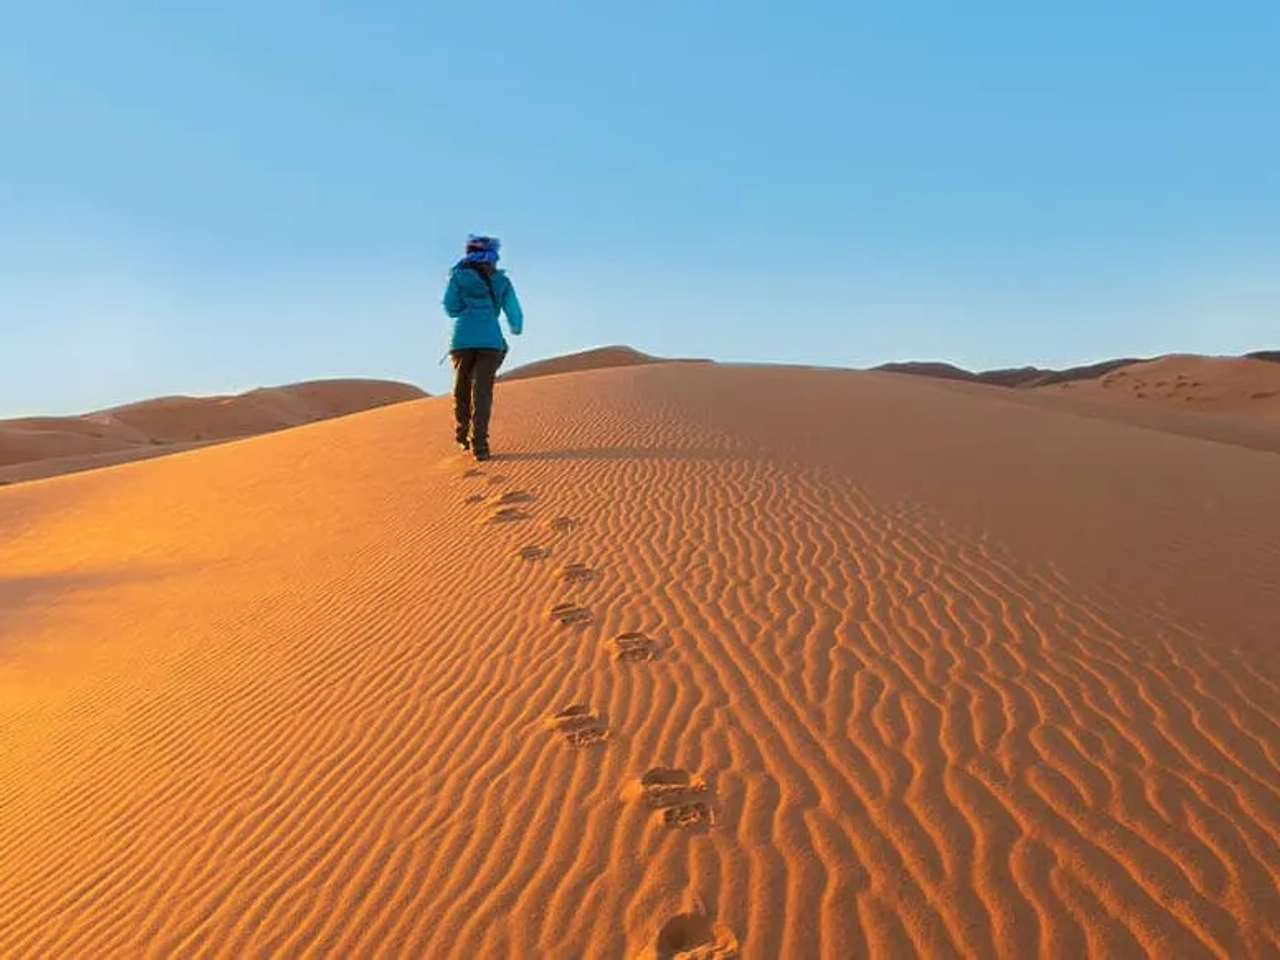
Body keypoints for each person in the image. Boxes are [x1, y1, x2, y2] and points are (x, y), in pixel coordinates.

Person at [442, 234, 524, 460]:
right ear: (492, 257)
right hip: (490, 341)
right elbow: (514, 313)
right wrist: (516, 328)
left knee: (462, 388)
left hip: (462, 341)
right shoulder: (502, 281)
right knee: (482, 392)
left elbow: (450, 308)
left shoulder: (457, 277)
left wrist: (467, 308)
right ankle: (480, 444)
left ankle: (461, 434)